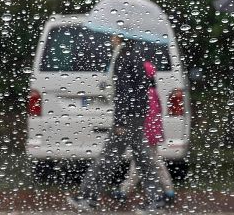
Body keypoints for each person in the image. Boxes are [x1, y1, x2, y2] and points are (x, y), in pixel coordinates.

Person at [68, 35, 165, 213]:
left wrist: (120, 121)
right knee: (140, 158)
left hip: (128, 117)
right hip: (136, 115)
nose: (111, 38)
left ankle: (88, 197)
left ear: (120, 37)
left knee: (110, 158)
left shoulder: (123, 57)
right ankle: (156, 200)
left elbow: (124, 92)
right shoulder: (135, 54)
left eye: (113, 35)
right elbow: (138, 89)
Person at [111, 60, 176, 204]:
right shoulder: (151, 91)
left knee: (150, 162)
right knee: (145, 162)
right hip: (148, 133)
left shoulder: (146, 93)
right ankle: (126, 190)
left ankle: (126, 191)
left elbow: (149, 117)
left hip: (146, 134)